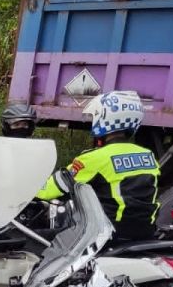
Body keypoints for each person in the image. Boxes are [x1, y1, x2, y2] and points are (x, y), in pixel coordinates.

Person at [37, 90, 158, 241]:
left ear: (105, 119)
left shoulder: (95, 158)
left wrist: (29, 192)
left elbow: (51, 189)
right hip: (145, 231)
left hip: (107, 233)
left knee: (33, 240)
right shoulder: (148, 155)